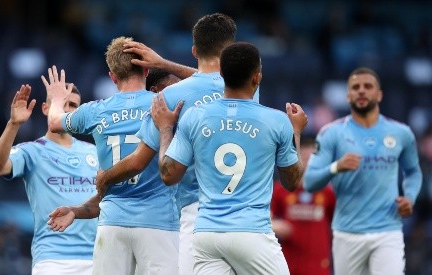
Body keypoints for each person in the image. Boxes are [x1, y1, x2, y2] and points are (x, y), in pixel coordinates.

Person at [92, 13, 241, 275]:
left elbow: (138, 161)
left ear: (194, 50)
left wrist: (105, 178)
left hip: (196, 213)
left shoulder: (169, 97)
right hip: (246, 214)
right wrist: (165, 64)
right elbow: (218, 83)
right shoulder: (248, 91)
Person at [153, 42, 308, 274]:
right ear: (257, 77)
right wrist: (296, 132)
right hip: (252, 233)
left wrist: (166, 129)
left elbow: (168, 174)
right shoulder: (276, 121)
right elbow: (292, 181)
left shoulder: (195, 117)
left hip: (206, 234)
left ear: (222, 74)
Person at [42, 36, 180, 275]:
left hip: (112, 222)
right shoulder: (165, 105)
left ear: (112, 77)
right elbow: (213, 84)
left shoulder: (95, 111)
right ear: (147, 70)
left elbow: (54, 122)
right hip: (158, 222)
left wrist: (56, 99)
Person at [303, 67, 423, 275]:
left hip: (388, 230)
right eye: (355, 87)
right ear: (348, 95)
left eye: (368, 86)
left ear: (379, 94)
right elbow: (310, 181)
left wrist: (410, 197)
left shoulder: (401, 133)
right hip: (347, 233)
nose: (361, 91)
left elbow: (413, 172)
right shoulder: (331, 133)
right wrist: (336, 167)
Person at [0, 84, 99, 275]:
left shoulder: (95, 152)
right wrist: (13, 124)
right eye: (61, 103)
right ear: (46, 108)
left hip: (97, 257)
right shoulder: (31, 151)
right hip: (53, 259)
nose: (67, 110)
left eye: (73, 105)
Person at [271, 136, 335, 275]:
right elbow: (264, 219)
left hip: (319, 266)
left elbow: (339, 223)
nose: (308, 164)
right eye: (304, 158)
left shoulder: (328, 192)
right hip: (288, 265)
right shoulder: (281, 189)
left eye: (312, 159)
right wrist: (276, 225)